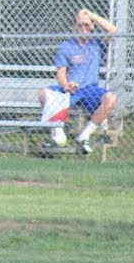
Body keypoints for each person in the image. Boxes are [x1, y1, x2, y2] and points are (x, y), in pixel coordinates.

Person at [38, 8, 119, 155]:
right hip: (71, 89)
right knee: (44, 93)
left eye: (86, 24)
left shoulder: (97, 44)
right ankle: (58, 133)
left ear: (92, 26)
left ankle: (84, 135)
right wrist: (66, 85)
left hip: (90, 89)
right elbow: (60, 73)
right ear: (74, 26)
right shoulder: (66, 46)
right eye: (79, 25)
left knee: (111, 98)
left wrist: (91, 15)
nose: (83, 28)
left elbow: (113, 30)